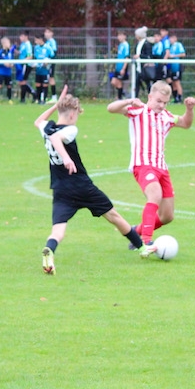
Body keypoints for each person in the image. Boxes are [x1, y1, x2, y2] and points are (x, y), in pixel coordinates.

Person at [36, 85, 144, 275]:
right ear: (72, 114)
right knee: (113, 216)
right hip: (81, 186)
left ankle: (49, 249)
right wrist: (67, 158)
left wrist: (55, 105)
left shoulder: (47, 127)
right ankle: (142, 247)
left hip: (60, 188)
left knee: (58, 231)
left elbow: (38, 121)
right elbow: (56, 139)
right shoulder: (70, 130)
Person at [107, 80, 195, 257]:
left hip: (162, 168)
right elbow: (111, 108)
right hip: (143, 165)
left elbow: (186, 123)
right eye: (158, 101)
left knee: (167, 216)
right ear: (150, 97)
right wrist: (129, 101)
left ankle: (136, 231)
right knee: (155, 194)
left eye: (165, 102)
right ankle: (145, 242)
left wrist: (189, 109)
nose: (161, 105)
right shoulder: (138, 111)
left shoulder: (167, 117)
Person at [134, 26, 157, 96]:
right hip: (139, 67)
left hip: (145, 67)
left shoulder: (147, 44)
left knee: (148, 84)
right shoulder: (138, 43)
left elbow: (149, 56)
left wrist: (140, 56)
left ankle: (151, 97)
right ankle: (135, 98)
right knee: (137, 83)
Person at [110, 31, 131, 99]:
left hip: (122, 67)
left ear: (125, 36)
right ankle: (123, 93)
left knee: (119, 83)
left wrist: (123, 68)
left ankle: (120, 98)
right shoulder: (120, 45)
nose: (119, 37)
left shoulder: (126, 45)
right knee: (113, 82)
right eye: (118, 35)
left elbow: (127, 57)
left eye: (121, 35)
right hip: (118, 68)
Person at [0, 36, 15, 104]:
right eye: (8, 43)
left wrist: (11, 64)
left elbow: (12, 60)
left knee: (9, 86)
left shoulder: (10, 52)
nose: (9, 44)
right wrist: (3, 64)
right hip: (1, 72)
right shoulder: (0, 52)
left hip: (8, 72)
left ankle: (9, 99)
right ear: (4, 44)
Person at [167, 32, 186, 103]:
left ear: (175, 38)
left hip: (177, 66)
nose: (170, 40)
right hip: (172, 67)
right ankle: (175, 99)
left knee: (177, 82)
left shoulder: (178, 45)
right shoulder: (170, 46)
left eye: (171, 38)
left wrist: (173, 56)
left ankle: (180, 98)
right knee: (173, 82)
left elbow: (183, 54)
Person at [16, 31, 35, 103]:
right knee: (21, 82)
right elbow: (21, 53)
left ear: (26, 37)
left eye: (22, 36)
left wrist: (23, 61)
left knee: (23, 81)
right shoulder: (22, 44)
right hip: (22, 64)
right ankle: (33, 93)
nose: (20, 38)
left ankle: (23, 99)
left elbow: (30, 56)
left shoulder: (28, 45)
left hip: (26, 65)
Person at [33, 34, 51, 104]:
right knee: (38, 84)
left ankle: (44, 99)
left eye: (36, 40)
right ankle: (38, 100)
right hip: (38, 70)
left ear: (41, 39)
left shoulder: (47, 47)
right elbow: (35, 57)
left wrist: (48, 62)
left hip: (45, 70)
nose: (35, 41)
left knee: (45, 85)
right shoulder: (36, 48)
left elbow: (52, 56)